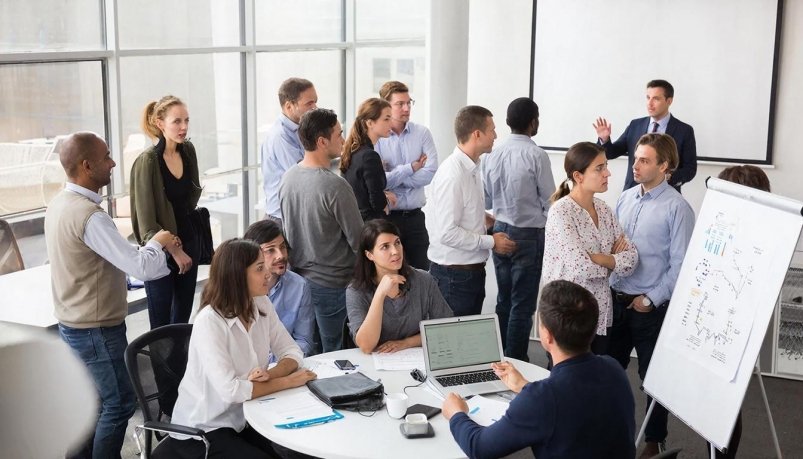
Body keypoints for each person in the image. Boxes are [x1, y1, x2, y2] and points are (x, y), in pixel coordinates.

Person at [45, 131, 181, 459]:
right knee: (119, 404)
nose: (113, 162)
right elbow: (141, 267)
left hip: (73, 327)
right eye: (106, 157)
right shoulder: (90, 217)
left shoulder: (59, 204)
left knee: (90, 405)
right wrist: (158, 242)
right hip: (97, 332)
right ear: (86, 165)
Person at [442, 280, 636, 459]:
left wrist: (456, 414)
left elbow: (478, 447)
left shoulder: (542, 398)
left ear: (547, 336)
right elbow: (574, 398)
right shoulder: (613, 367)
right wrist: (525, 386)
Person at [171, 239, 317, 458]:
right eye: (259, 268)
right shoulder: (210, 321)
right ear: (236, 276)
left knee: (298, 451)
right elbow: (230, 391)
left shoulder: (261, 303)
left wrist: (269, 375)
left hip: (246, 417)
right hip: (204, 430)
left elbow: (292, 351)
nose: (267, 273)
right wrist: (287, 381)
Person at [608, 133, 695, 458]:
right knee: (608, 373)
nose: (635, 166)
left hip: (650, 309)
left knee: (653, 380)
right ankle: (610, 434)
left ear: (664, 166)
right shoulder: (625, 198)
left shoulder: (678, 208)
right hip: (616, 302)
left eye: (644, 160)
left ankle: (654, 442)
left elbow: (681, 266)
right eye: (635, 159)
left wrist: (650, 300)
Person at [279, 108, 363, 353]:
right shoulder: (335, 186)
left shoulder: (288, 178)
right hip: (334, 285)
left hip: (299, 281)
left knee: (309, 351)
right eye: (339, 134)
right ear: (322, 141)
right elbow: (359, 241)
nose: (344, 140)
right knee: (336, 355)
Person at [542, 142, 638, 355]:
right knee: (569, 376)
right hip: (568, 316)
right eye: (599, 168)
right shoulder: (561, 212)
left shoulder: (604, 210)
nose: (607, 173)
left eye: (606, 166)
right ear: (578, 176)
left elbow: (631, 259)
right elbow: (581, 267)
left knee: (596, 374)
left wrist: (601, 258)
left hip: (601, 315)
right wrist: (613, 260)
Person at [702, 165, 770, 459]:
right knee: (710, 403)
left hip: (736, 330)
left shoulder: (765, 238)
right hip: (711, 321)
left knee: (725, 405)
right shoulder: (723, 226)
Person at [481, 97, 556, 361]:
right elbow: (550, 201)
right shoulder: (537, 155)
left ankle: (500, 358)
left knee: (504, 300)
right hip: (529, 235)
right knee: (522, 305)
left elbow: (486, 201)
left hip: (499, 231)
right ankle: (516, 361)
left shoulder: (492, 155)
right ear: (533, 122)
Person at [425, 105, 517, 316]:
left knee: (469, 336)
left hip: (468, 274)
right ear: (477, 134)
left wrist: (485, 219)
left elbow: (462, 212)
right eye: (492, 130)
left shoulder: (472, 167)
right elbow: (447, 233)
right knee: (455, 337)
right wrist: (492, 242)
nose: (496, 136)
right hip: (453, 277)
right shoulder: (453, 175)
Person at [131, 95, 200, 329]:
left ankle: (180, 357)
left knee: (181, 322)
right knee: (161, 327)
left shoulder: (188, 150)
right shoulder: (147, 161)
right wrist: (173, 248)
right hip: (161, 252)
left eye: (186, 120)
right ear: (160, 124)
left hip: (190, 243)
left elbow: (190, 201)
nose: (183, 127)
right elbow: (145, 222)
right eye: (176, 121)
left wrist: (188, 246)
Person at [346, 219, 453, 354]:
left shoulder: (423, 280)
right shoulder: (356, 291)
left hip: (415, 358)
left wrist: (406, 343)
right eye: (385, 247)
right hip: (375, 361)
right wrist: (380, 294)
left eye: (397, 243)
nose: (395, 251)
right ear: (370, 255)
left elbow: (447, 327)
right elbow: (366, 346)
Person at [375, 81, 438, 269]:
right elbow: (378, 181)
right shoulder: (378, 138)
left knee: (422, 274)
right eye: (400, 104)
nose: (406, 108)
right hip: (387, 220)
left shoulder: (422, 133)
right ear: (386, 106)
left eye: (409, 102)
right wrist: (411, 168)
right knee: (390, 275)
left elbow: (430, 173)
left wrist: (393, 177)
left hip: (416, 219)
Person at [593, 79, 697, 192]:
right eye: (648, 98)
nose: (650, 103)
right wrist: (604, 139)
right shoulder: (635, 125)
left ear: (669, 101)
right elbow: (611, 153)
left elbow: (690, 169)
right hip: (632, 191)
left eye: (656, 99)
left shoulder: (684, 130)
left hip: (666, 193)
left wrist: (668, 178)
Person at [244, 220, 316, 356]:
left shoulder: (300, 286)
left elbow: (304, 340)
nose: (281, 256)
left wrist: (283, 362)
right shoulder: (240, 289)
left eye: (283, 247)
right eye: (270, 250)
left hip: (286, 360)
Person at [261, 77, 318, 223]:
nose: (315, 107)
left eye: (315, 101)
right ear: (289, 106)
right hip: (282, 218)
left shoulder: (301, 129)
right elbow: (304, 174)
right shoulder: (281, 136)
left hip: (293, 214)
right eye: (309, 103)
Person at [340, 98, 395, 221]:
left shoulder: (353, 151)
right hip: (370, 224)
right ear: (370, 123)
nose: (391, 123)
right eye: (386, 119)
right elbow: (377, 203)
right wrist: (386, 200)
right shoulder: (369, 156)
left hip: (355, 221)